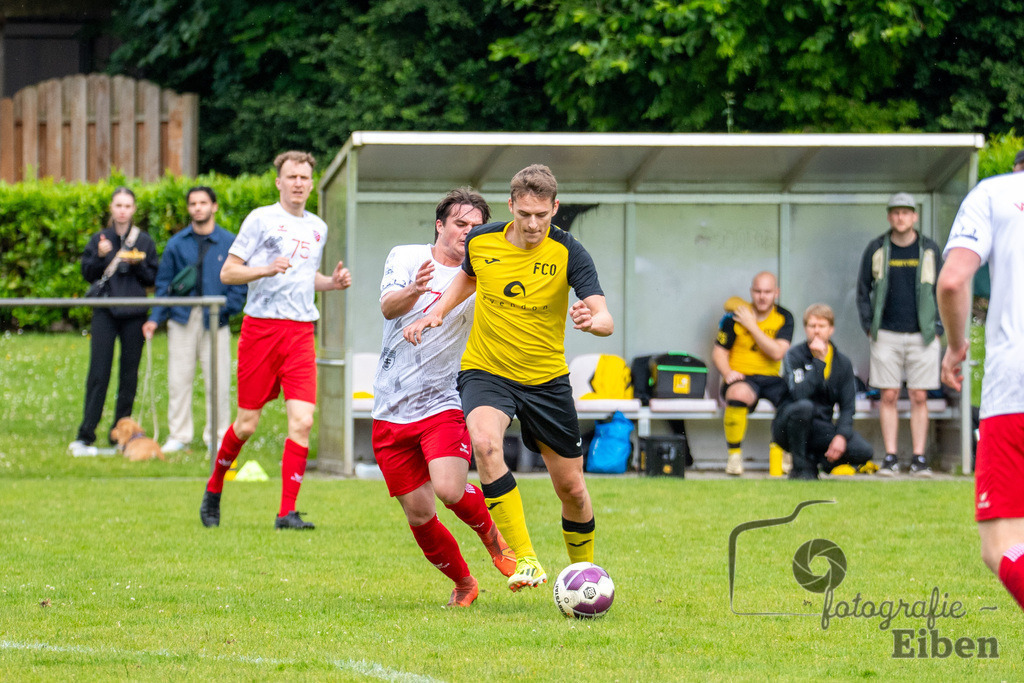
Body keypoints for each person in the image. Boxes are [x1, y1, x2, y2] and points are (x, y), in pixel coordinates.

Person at [403, 164, 613, 592]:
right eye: (525, 214)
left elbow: (604, 314)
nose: (534, 224)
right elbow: (466, 279)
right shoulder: (482, 241)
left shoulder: (569, 252)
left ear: (555, 208)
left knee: (572, 488)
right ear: (512, 206)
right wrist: (435, 312)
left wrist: (594, 321)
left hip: (546, 379)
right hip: (487, 369)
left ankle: (584, 576)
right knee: (484, 443)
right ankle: (527, 559)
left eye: (543, 214)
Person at [373, 188, 516, 607]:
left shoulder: (485, 274)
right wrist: (416, 290)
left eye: (476, 227)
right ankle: (464, 584)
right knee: (419, 513)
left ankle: (494, 539)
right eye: (460, 224)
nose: (467, 233)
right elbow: (387, 308)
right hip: (390, 405)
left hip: (443, 400)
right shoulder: (405, 257)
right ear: (440, 225)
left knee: (450, 489)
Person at [200, 151, 352, 530]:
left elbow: (304, 277)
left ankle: (287, 512)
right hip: (261, 329)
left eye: (304, 177)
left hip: (301, 332)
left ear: (311, 183)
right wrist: (265, 268)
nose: (299, 183)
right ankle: (214, 487)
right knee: (247, 424)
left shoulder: (318, 227)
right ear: (278, 182)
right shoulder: (261, 219)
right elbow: (228, 273)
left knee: (302, 420)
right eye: (292, 177)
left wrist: (330, 283)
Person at [938, 166, 1024, 612]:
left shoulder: (995, 194)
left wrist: (955, 347)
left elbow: (953, 280)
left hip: (1015, 389)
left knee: (1002, 546)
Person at [142, 187, 247, 453]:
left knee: (219, 380)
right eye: (193, 203)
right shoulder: (177, 243)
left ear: (214, 206)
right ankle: (179, 435)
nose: (198, 207)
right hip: (182, 317)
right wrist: (155, 318)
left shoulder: (229, 242)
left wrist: (227, 310)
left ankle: (219, 436)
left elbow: (240, 282)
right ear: (189, 208)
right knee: (179, 379)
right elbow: (164, 284)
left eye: (203, 202)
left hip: (216, 317)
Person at [856, 192, 944, 477]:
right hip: (886, 335)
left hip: (923, 334)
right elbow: (862, 290)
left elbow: (945, 290)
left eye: (906, 212)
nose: (900, 217)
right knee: (889, 395)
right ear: (889, 216)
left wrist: (939, 327)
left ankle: (919, 459)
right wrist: (870, 325)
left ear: (915, 216)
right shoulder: (877, 248)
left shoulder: (929, 249)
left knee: (920, 395)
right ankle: (890, 457)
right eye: (895, 212)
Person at [69, 187, 158, 456]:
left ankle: (121, 434)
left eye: (127, 206)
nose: (122, 210)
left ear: (134, 210)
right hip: (105, 312)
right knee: (99, 372)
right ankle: (86, 433)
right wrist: (99, 255)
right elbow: (87, 274)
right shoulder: (100, 238)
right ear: (111, 208)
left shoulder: (143, 241)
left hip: (134, 313)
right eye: (118, 205)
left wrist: (136, 263)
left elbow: (152, 278)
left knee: (129, 375)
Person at [773, 304, 874, 479]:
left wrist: (841, 436)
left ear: (831, 329)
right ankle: (800, 467)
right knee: (804, 407)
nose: (817, 331)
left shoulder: (842, 363)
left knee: (863, 451)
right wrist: (818, 363)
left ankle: (820, 462)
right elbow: (799, 394)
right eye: (812, 326)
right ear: (805, 329)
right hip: (788, 426)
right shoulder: (794, 355)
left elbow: (848, 407)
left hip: (821, 427)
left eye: (822, 326)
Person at [712, 272, 794, 475]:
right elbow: (719, 352)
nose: (762, 296)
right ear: (751, 292)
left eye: (767, 292)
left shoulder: (784, 317)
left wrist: (752, 325)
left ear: (776, 293)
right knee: (738, 393)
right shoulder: (735, 316)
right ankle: (734, 457)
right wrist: (727, 372)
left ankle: (784, 452)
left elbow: (776, 352)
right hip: (742, 377)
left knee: (795, 399)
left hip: (771, 377)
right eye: (757, 291)